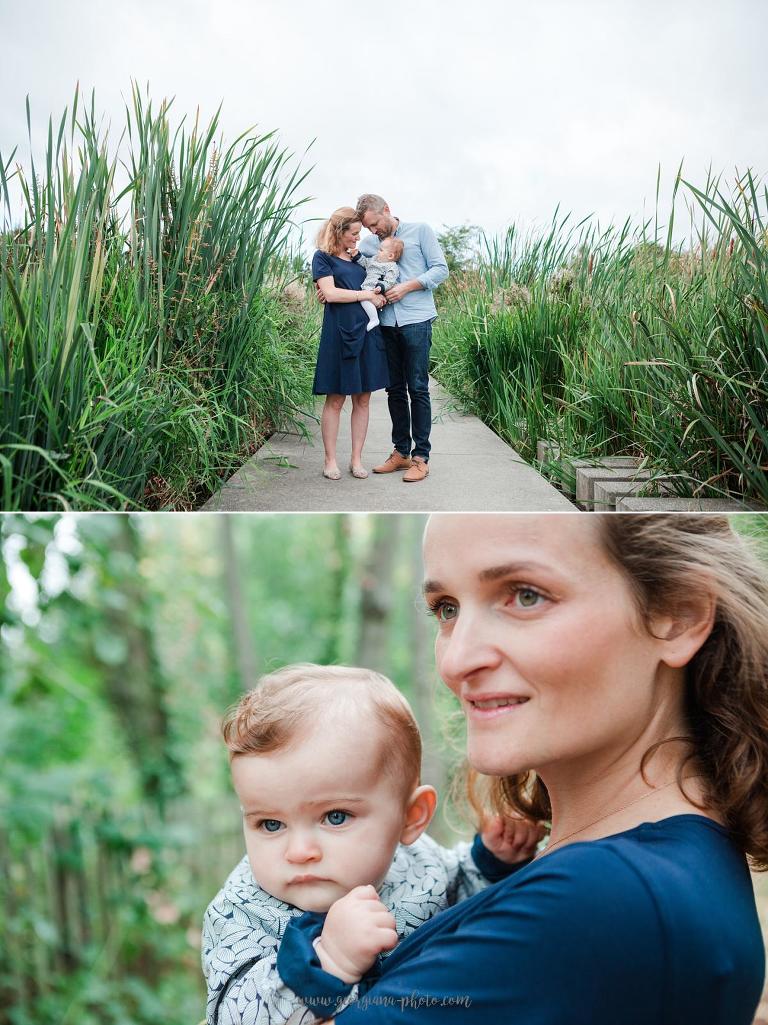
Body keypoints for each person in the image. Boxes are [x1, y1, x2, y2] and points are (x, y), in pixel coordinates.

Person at [324, 513, 768, 1025]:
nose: (455, 660)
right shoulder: (674, 867)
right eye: (445, 609)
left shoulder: (598, 899)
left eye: (525, 595)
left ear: (680, 614)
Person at [202, 663, 543, 1025]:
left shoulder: (417, 863)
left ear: (411, 817)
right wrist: (329, 960)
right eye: (270, 824)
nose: (299, 852)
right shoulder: (242, 912)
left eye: (335, 817)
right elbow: (233, 1016)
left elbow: (464, 892)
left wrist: (494, 859)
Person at [355, 194, 449, 484]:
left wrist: (407, 287)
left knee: (418, 388)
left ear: (386, 210)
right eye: (368, 228)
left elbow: (440, 269)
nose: (373, 232)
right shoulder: (369, 244)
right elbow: (361, 271)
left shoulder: (421, 230)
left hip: (417, 321)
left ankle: (421, 457)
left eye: (375, 224)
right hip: (385, 325)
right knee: (394, 390)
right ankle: (400, 453)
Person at [311, 208, 390, 480]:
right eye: (353, 234)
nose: (358, 238)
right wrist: (363, 294)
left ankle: (357, 459)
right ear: (338, 232)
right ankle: (330, 459)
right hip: (340, 332)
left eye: (359, 233)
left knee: (364, 398)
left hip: (367, 333)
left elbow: (379, 282)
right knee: (335, 398)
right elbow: (330, 293)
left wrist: (378, 296)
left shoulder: (361, 259)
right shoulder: (323, 258)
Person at [352, 237, 404, 331]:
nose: (377, 251)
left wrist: (381, 287)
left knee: (364, 300)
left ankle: (374, 319)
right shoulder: (374, 259)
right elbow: (365, 263)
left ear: (390, 256)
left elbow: (390, 281)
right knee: (363, 301)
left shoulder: (392, 267)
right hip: (367, 287)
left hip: (376, 290)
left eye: (381, 250)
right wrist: (357, 256)